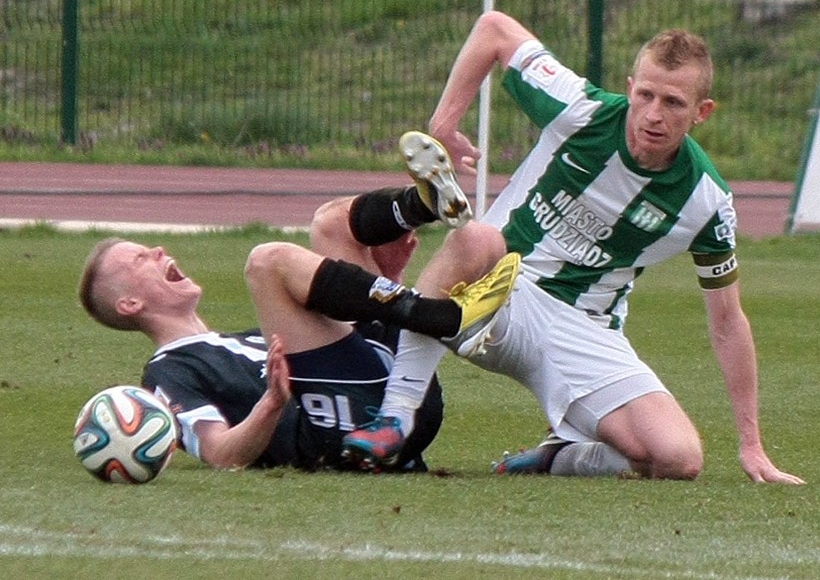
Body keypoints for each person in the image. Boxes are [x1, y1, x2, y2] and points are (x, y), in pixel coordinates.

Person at [341, 11, 805, 484]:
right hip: (497, 290)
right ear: (630, 87)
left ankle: (557, 457)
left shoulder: (707, 201)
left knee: (677, 458)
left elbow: (728, 321)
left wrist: (752, 446)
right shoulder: (578, 108)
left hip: (583, 331)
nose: (653, 115)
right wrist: (443, 125)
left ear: (702, 112)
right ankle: (394, 417)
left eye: (673, 102)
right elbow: (494, 28)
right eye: (644, 95)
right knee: (477, 236)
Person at [77, 131, 519, 473]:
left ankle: (420, 205)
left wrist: (388, 279)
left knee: (471, 239)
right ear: (129, 304)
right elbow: (219, 454)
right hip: (336, 428)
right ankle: (427, 314)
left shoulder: (242, 339)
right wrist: (270, 404)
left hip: (398, 401)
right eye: (140, 259)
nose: (156, 251)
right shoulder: (167, 373)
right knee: (266, 264)